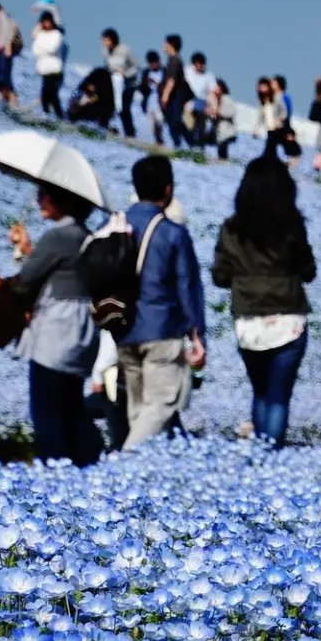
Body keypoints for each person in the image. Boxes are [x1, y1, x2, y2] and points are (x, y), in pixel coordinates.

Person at [212, 156, 317, 446]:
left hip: (249, 321)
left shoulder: (231, 229)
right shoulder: (292, 226)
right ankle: (271, 461)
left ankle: (260, 459)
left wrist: (244, 276)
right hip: (288, 320)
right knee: (278, 397)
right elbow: (308, 271)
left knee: (260, 393)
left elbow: (220, 276)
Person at [7, 184, 102, 466]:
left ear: (62, 200)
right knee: (72, 409)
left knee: (47, 414)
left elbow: (25, 282)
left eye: (45, 195)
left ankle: (53, 477)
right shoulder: (89, 237)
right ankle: (87, 471)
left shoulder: (58, 236)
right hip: (83, 334)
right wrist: (27, 249)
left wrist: (20, 253)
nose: (39, 200)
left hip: (55, 335)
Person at [117, 156, 207, 448]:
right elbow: (188, 288)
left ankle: (142, 484)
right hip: (162, 331)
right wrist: (197, 336)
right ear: (168, 189)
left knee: (139, 410)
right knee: (160, 406)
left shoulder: (116, 224)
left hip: (123, 330)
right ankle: (123, 467)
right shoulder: (173, 232)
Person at [28, 11, 66, 118]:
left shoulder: (57, 34)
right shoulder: (40, 35)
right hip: (44, 69)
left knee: (52, 94)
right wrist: (43, 49)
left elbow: (52, 48)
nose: (46, 24)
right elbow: (35, 50)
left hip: (54, 69)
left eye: (48, 22)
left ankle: (59, 116)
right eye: (44, 22)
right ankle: (47, 113)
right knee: (45, 93)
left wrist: (42, 49)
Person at [101, 30, 138, 137]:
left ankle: (130, 134)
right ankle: (106, 128)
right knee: (110, 106)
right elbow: (107, 65)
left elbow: (135, 67)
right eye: (103, 40)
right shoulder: (105, 51)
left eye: (106, 40)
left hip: (128, 84)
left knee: (124, 109)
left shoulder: (125, 50)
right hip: (114, 83)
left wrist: (125, 73)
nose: (104, 42)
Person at [159, 35, 192, 148]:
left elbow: (171, 81)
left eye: (166, 43)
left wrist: (165, 96)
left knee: (176, 121)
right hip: (173, 96)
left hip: (176, 96)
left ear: (171, 45)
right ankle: (178, 144)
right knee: (172, 122)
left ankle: (191, 144)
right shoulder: (171, 60)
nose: (164, 46)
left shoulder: (175, 61)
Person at [205, 80, 237, 159]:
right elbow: (211, 115)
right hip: (216, 128)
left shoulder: (227, 99)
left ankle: (223, 160)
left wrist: (219, 112)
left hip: (227, 127)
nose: (216, 89)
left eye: (218, 87)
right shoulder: (213, 100)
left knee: (223, 144)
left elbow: (232, 112)